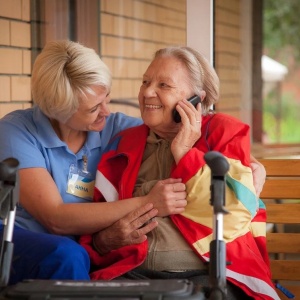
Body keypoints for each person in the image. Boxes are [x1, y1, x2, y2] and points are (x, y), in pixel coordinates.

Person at [0, 40, 265, 286]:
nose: (107, 111)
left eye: (107, 99)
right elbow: (55, 218)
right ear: (58, 111)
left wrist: (254, 167)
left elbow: (184, 134)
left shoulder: (114, 128)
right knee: (67, 256)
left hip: (91, 253)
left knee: (74, 256)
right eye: (94, 108)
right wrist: (148, 202)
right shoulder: (18, 131)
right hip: (28, 242)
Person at [80, 46, 279, 300]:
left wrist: (184, 151)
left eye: (164, 85)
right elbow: (99, 224)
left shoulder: (222, 133)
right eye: (145, 82)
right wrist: (104, 240)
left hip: (212, 276)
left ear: (197, 98)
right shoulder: (123, 144)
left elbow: (233, 217)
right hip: (132, 275)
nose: (148, 92)